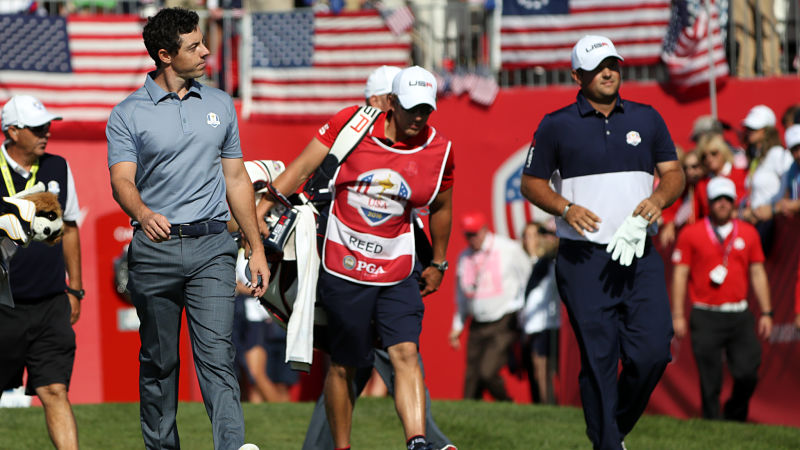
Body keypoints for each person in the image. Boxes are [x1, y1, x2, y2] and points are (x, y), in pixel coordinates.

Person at [258, 65, 454, 450]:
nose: (418, 117)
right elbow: (302, 167)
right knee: (346, 364)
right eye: (410, 107)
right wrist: (263, 207)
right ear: (391, 103)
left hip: (398, 268)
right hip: (343, 265)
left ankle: (420, 442)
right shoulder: (351, 124)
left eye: (425, 110)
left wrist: (439, 261)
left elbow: (441, 205)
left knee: (404, 352)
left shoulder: (439, 150)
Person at [106, 8, 268, 450]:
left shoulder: (220, 104)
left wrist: (254, 246)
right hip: (154, 251)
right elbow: (121, 180)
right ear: (165, 55)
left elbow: (236, 180)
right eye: (194, 46)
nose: (206, 51)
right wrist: (141, 212)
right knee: (159, 363)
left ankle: (232, 446)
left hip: (214, 246)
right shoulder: (127, 114)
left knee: (216, 355)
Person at [520, 35, 685, 449]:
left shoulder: (647, 118)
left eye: (612, 63)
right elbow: (530, 183)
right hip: (582, 260)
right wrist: (564, 208)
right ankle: (608, 444)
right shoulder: (555, 124)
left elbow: (675, 173)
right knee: (597, 359)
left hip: (639, 255)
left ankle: (614, 429)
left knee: (653, 353)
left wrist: (658, 198)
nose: (608, 72)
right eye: (597, 67)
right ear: (577, 76)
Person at [0, 95, 82, 450]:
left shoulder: (57, 167)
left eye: (48, 126)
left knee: (54, 388)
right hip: (3, 303)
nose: (46, 133)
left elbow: (71, 227)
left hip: (50, 301)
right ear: (12, 131)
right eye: (37, 128)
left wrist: (75, 288)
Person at [671, 177, 773, 421]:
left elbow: (758, 272)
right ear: (709, 202)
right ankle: (712, 425)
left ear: (734, 202)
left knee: (748, 370)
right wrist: (677, 315)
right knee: (710, 377)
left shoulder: (748, 233)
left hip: (739, 313)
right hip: (705, 313)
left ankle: (735, 415)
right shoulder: (691, 233)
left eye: (727, 199)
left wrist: (767, 312)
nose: (723, 204)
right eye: (718, 199)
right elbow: (680, 274)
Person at [449, 211, 530, 401]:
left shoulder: (507, 248)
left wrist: (522, 314)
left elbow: (527, 277)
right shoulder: (464, 257)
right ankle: (467, 417)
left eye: (474, 233)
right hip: (477, 321)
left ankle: (507, 405)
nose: (471, 239)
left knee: (487, 371)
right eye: (467, 234)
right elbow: (461, 295)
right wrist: (457, 325)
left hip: (504, 319)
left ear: (485, 230)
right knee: (472, 377)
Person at [739, 105, 792, 254]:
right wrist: (746, 212)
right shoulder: (756, 159)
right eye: (748, 128)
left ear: (767, 130)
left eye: (754, 128)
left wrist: (774, 208)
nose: (749, 131)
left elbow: (789, 183)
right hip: (757, 225)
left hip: (775, 227)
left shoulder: (778, 153)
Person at [518, 220, 560, 404]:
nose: (545, 238)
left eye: (549, 234)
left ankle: (551, 404)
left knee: (547, 368)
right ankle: (546, 404)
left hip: (549, 323)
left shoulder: (554, 263)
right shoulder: (539, 263)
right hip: (535, 325)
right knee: (539, 368)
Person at [659, 149, 706, 248]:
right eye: (686, 168)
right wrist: (670, 223)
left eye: (694, 167)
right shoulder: (685, 189)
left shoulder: (705, 186)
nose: (690, 172)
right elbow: (671, 210)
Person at [694, 133, 748, 218]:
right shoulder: (701, 184)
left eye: (714, 153)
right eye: (704, 156)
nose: (709, 158)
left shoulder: (742, 174)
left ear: (723, 152)